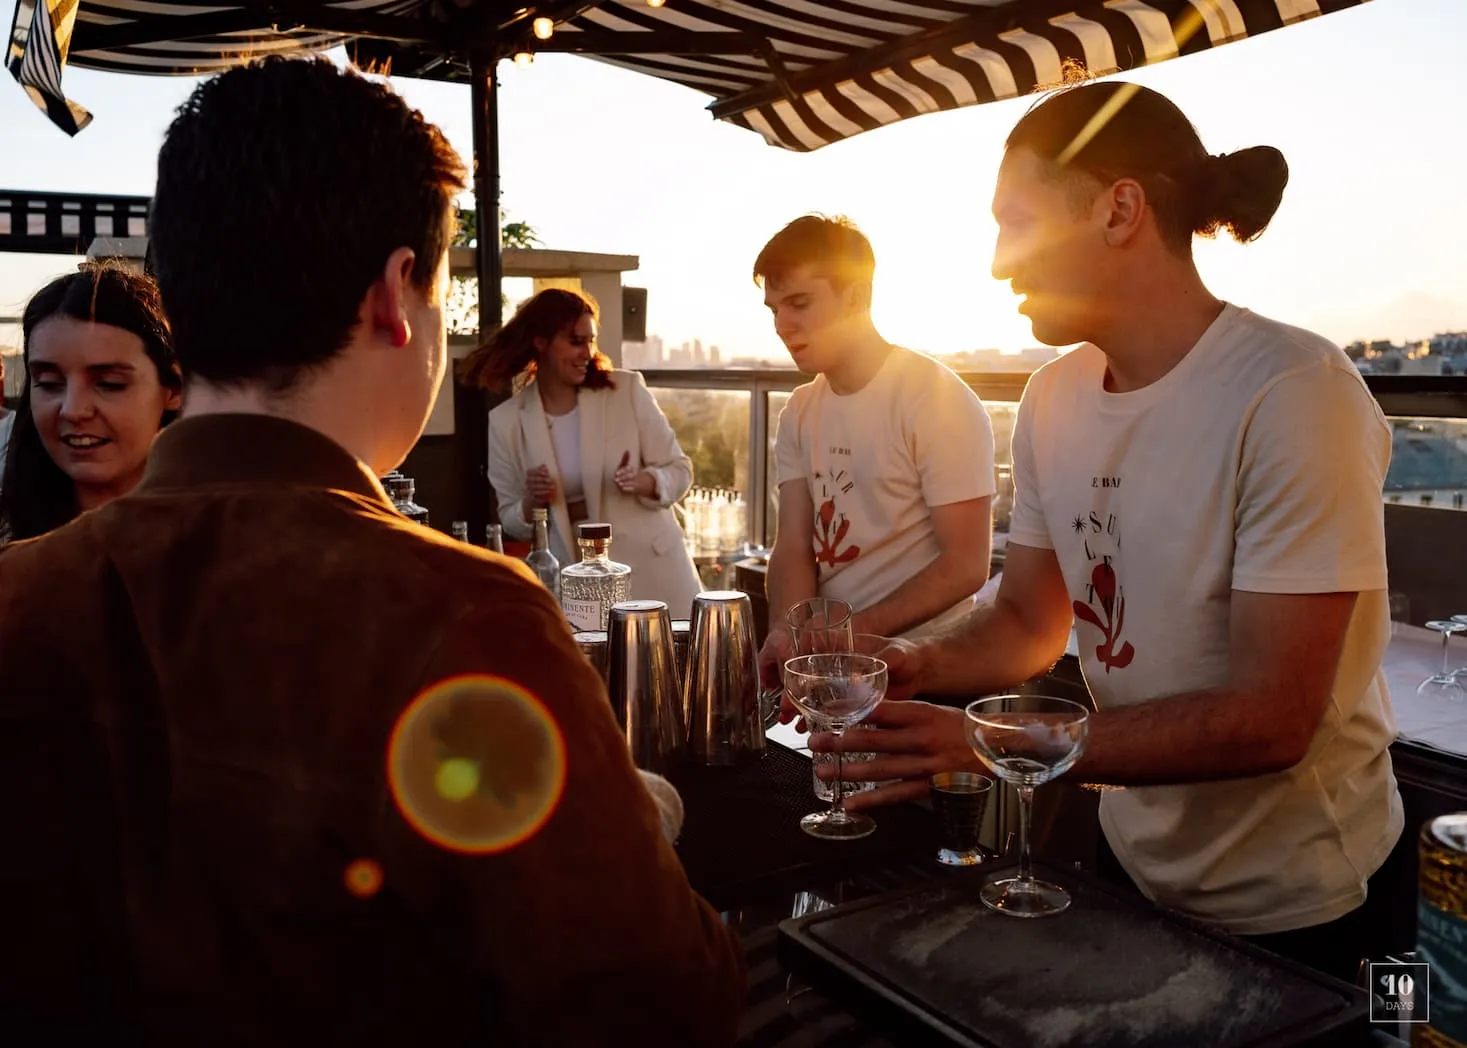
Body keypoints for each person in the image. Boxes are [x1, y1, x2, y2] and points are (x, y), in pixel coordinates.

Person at [0, 56, 743, 1044]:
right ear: (397, 293)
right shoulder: (467, 617)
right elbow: (662, 1007)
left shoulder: (21, 592)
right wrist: (635, 819)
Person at [812, 81, 1403, 981]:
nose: (997, 264)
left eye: (1015, 223)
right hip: (1128, 859)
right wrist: (914, 662)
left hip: (1308, 898)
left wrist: (988, 743)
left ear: (1119, 209)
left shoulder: (1293, 392)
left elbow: (1270, 719)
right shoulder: (1052, 397)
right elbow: (1027, 623)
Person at [754, 214, 995, 684]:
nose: (782, 325)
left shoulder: (934, 397)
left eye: (799, 303)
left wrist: (847, 636)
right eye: (774, 310)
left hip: (923, 671)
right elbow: (793, 546)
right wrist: (789, 634)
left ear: (856, 296)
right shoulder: (799, 410)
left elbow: (967, 564)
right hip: (833, 672)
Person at [467, 287, 703, 619]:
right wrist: (531, 501)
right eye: (576, 342)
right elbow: (511, 520)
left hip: (656, 574)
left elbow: (680, 470)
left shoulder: (626, 390)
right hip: (580, 589)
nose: (587, 353)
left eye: (591, 341)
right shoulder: (505, 422)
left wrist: (645, 481)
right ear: (540, 342)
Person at [0, 264, 181, 541]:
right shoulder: (10, 544)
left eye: (109, 384)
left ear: (174, 389)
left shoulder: (222, 542)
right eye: (49, 383)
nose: (73, 410)